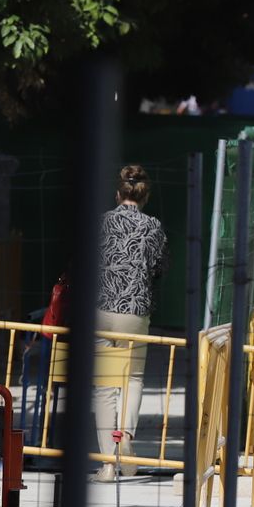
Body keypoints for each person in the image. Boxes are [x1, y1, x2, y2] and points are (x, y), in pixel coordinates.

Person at [93, 165, 168, 482]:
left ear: (117, 192)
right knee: (133, 379)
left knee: (105, 387)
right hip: (135, 310)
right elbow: (160, 268)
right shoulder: (153, 226)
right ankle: (127, 441)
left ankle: (107, 462)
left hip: (101, 308)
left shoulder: (101, 222)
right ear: (145, 195)